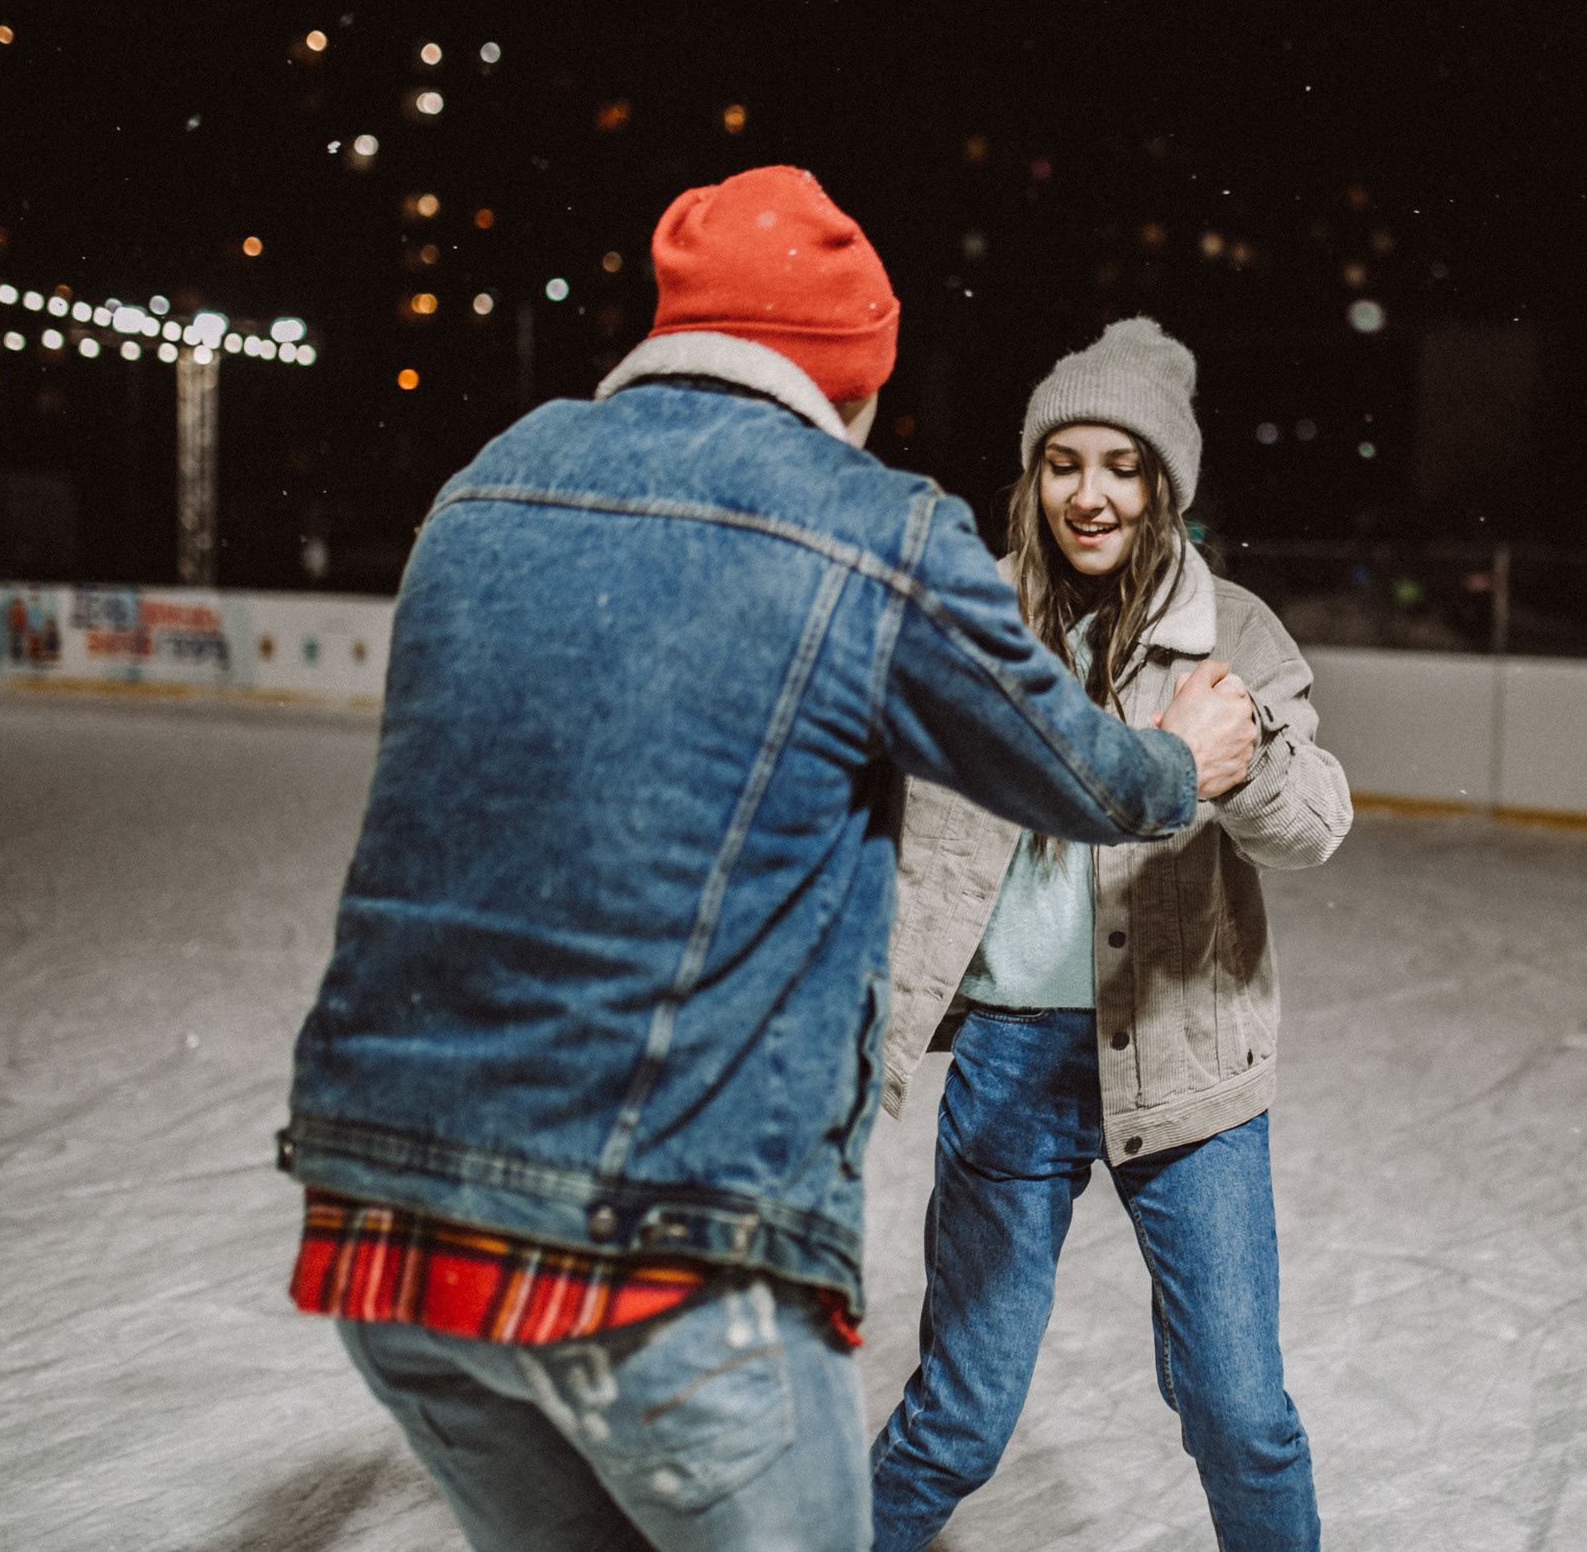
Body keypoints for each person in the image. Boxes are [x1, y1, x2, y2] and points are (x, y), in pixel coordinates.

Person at [275, 172, 1258, 1552]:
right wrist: (1189, 756)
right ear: (849, 382)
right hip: (661, 1227)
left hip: (386, 1213)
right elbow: (1075, 770)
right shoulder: (872, 525)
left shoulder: (483, 482)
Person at [870, 318, 1352, 1552]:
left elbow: (1318, 823)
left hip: (1188, 1064)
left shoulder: (1230, 633)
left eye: (1122, 466)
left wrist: (1241, 767)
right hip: (1011, 1068)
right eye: (1064, 462)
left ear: (1165, 486)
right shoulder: (975, 622)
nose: (1090, 494)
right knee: (959, 1419)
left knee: (1239, 1416)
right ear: (1033, 476)